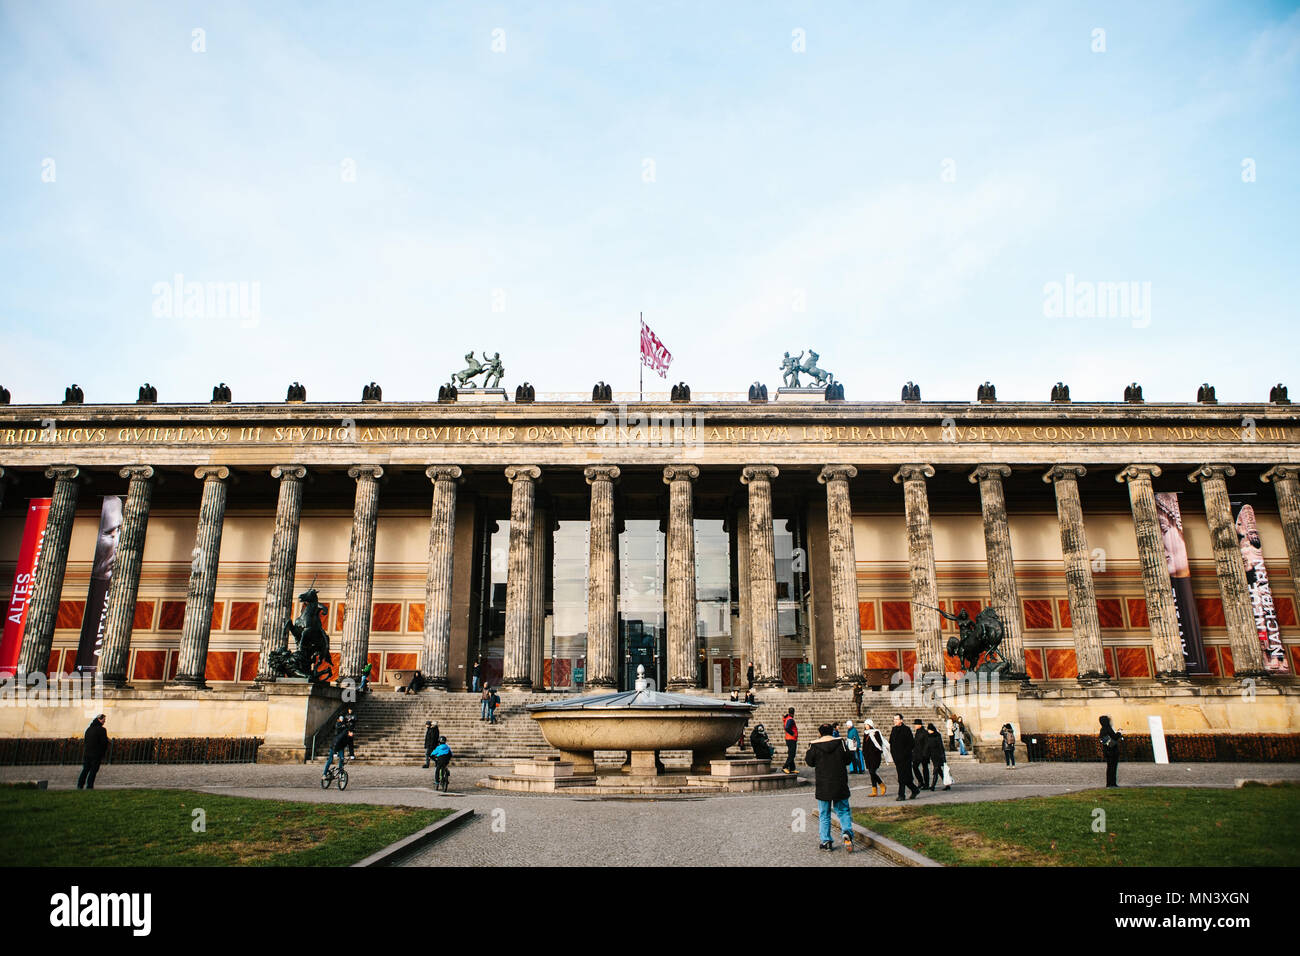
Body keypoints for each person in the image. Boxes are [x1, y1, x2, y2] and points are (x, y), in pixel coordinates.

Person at [805, 723, 855, 852]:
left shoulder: (815, 745)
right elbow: (849, 759)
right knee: (843, 810)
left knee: (824, 814)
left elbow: (809, 762)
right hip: (839, 783)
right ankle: (847, 833)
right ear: (832, 732)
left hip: (823, 784)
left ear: (820, 733)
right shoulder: (840, 743)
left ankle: (826, 841)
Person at [889, 714, 920, 800]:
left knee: (902, 777)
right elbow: (891, 742)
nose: (895, 721)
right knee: (905, 777)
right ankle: (914, 789)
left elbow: (911, 744)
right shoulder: (894, 729)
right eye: (894, 719)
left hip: (905, 758)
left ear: (901, 720)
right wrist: (894, 755)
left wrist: (905, 754)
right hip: (897, 758)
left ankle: (901, 795)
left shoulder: (906, 730)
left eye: (897, 719)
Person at [78, 714, 108, 790]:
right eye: (103, 720)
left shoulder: (89, 729)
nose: (104, 721)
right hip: (96, 754)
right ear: (99, 720)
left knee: (85, 769)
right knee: (93, 770)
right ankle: (89, 785)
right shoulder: (102, 730)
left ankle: (80, 784)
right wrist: (103, 753)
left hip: (87, 753)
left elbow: (86, 741)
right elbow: (104, 743)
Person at [862, 718, 887, 796]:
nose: (865, 726)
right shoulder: (865, 733)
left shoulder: (876, 732)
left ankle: (881, 784)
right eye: (865, 725)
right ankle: (874, 791)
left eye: (866, 724)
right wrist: (864, 753)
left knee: (872, 772)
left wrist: (875, 752)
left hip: (875, 756)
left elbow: (879, 744)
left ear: (870, 725)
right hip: (868, 756)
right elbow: (864, 745)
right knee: (871, 773)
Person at [1099, 715, 1123, 787]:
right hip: (1112, 750)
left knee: (1110, 768)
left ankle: (1110, 783)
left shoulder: (1102, 729)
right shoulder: (1108, 728)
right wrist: (1119, 732)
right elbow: (1114, 737)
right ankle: (1112, 783)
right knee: (1113, 768)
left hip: (1107, 751)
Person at [925, 723, 949, 791]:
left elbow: (941, 747)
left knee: (935, 770)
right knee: (939, 771)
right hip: (933, 756)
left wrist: (943, 757)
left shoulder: (937, 736)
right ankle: (947, 784)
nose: (928, 731)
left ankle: (933, 786)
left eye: (929, 730)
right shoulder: (928, 736)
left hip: (938, 756)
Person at [910, 719, 930, 789]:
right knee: (915, 767)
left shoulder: (924, 732)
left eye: (916, 724)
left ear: (919, 725)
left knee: (925, 769)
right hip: (917, 754)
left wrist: (925, 753)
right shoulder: (917, 732)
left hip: (924, 754)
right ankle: (921, 781)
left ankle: (926, 784)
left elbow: (927, 744)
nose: (914, 726)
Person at [781, 708, 799, 774]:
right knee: (792, 754)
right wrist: (792, 733)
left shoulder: (787, 718)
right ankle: (785, 767)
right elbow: (787, 728)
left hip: (789, 738)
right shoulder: (790, 719)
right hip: (791, 739)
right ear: (793, 712)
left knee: (791, 753)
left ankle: (792, 768)